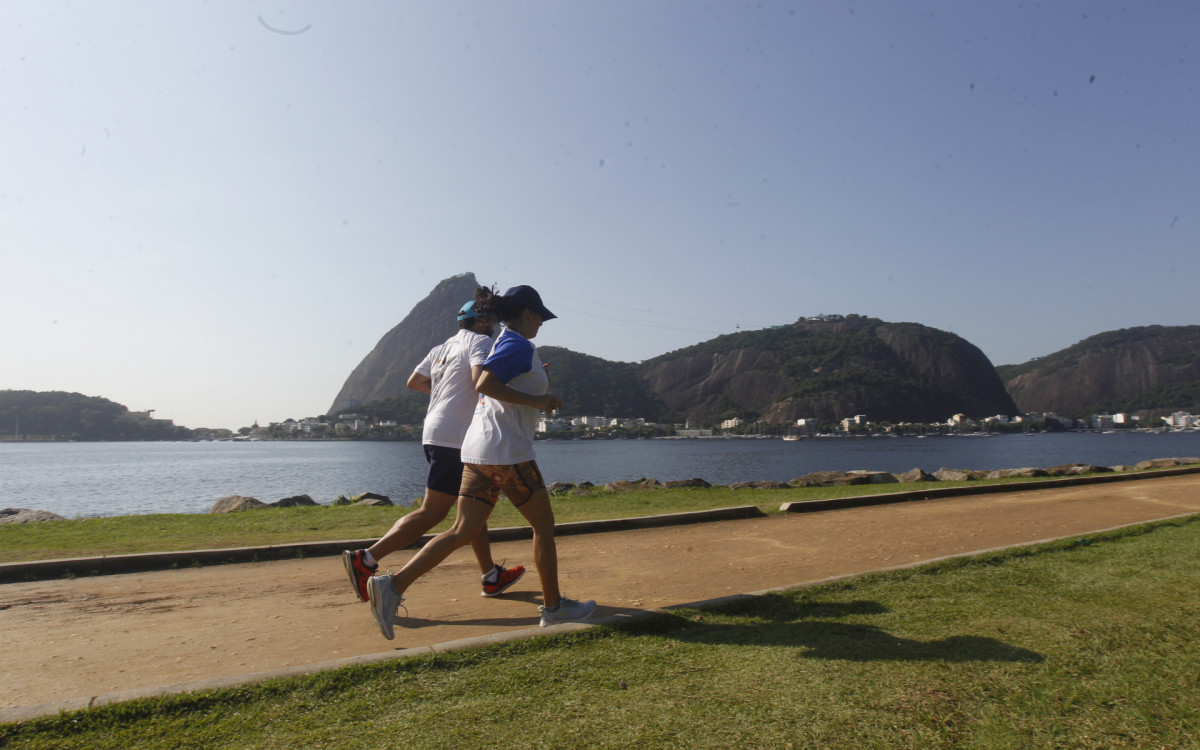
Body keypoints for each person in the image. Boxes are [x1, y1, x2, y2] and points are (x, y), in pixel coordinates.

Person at [367, 285, 596, 639]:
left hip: (476, 452)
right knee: (543, 526)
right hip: (507, 452)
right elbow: (486, 384)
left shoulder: (504, 343)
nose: (542, 324)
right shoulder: (517, 343)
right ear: (529, 313)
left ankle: (392, 586)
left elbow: (494, 380)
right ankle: (553, 609)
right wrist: (540, 401)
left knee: (461, 530)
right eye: (540, 317)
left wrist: (534, 386)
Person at [341, 298, 525, 604]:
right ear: (480, 322)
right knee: (433, 512)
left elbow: (414, 381)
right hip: (455, 437)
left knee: (473, 505)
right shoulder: (479, 342)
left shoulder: (441, 347)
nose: (492, 327)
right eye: (490, 321)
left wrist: (444, 395)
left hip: (435, 432)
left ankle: (491, 575)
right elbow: (482, 382)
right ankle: (367, 558)